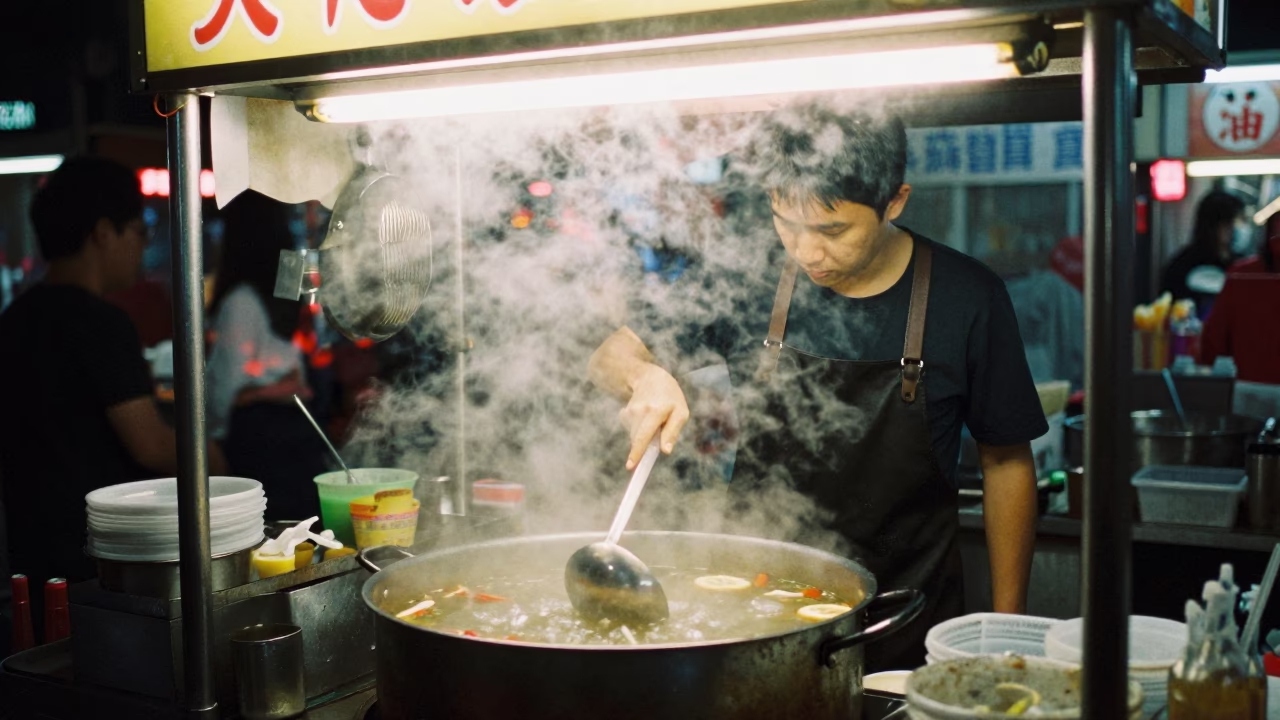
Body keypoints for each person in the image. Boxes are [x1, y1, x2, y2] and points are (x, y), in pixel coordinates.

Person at [589, 106, 1045, 671]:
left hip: (905, 613)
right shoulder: (749, 274)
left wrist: (1005, 631)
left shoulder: (967, 296)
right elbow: (610, 355)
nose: (806, 252)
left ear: (894, 202)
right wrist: (646, 375)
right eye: (786, 222)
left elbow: (1006, 462)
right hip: (750, 609)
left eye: (832, 231)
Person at [0, 157, 226, 599]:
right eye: (139, 232)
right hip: (99, 559)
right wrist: (214, 461)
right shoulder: (100, 323)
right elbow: (151, 445)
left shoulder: (14, 319)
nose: (142, 247)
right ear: (104, 233)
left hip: (30, 552)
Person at [207, 191, 330, 521]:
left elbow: (224, 387)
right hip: (297, 431)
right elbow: (299, 362)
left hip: (257, 441)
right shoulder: (287, 288)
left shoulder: (241, 300)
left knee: (265, 533)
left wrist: (213, 434)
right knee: (302, 532)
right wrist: (282, 387)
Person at [1161, 190, 1248, 316]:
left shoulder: (1243, 268)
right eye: (1229, 223)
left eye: (1241, 221)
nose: (1235, 229)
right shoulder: (1181, 267)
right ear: (1212, 226)